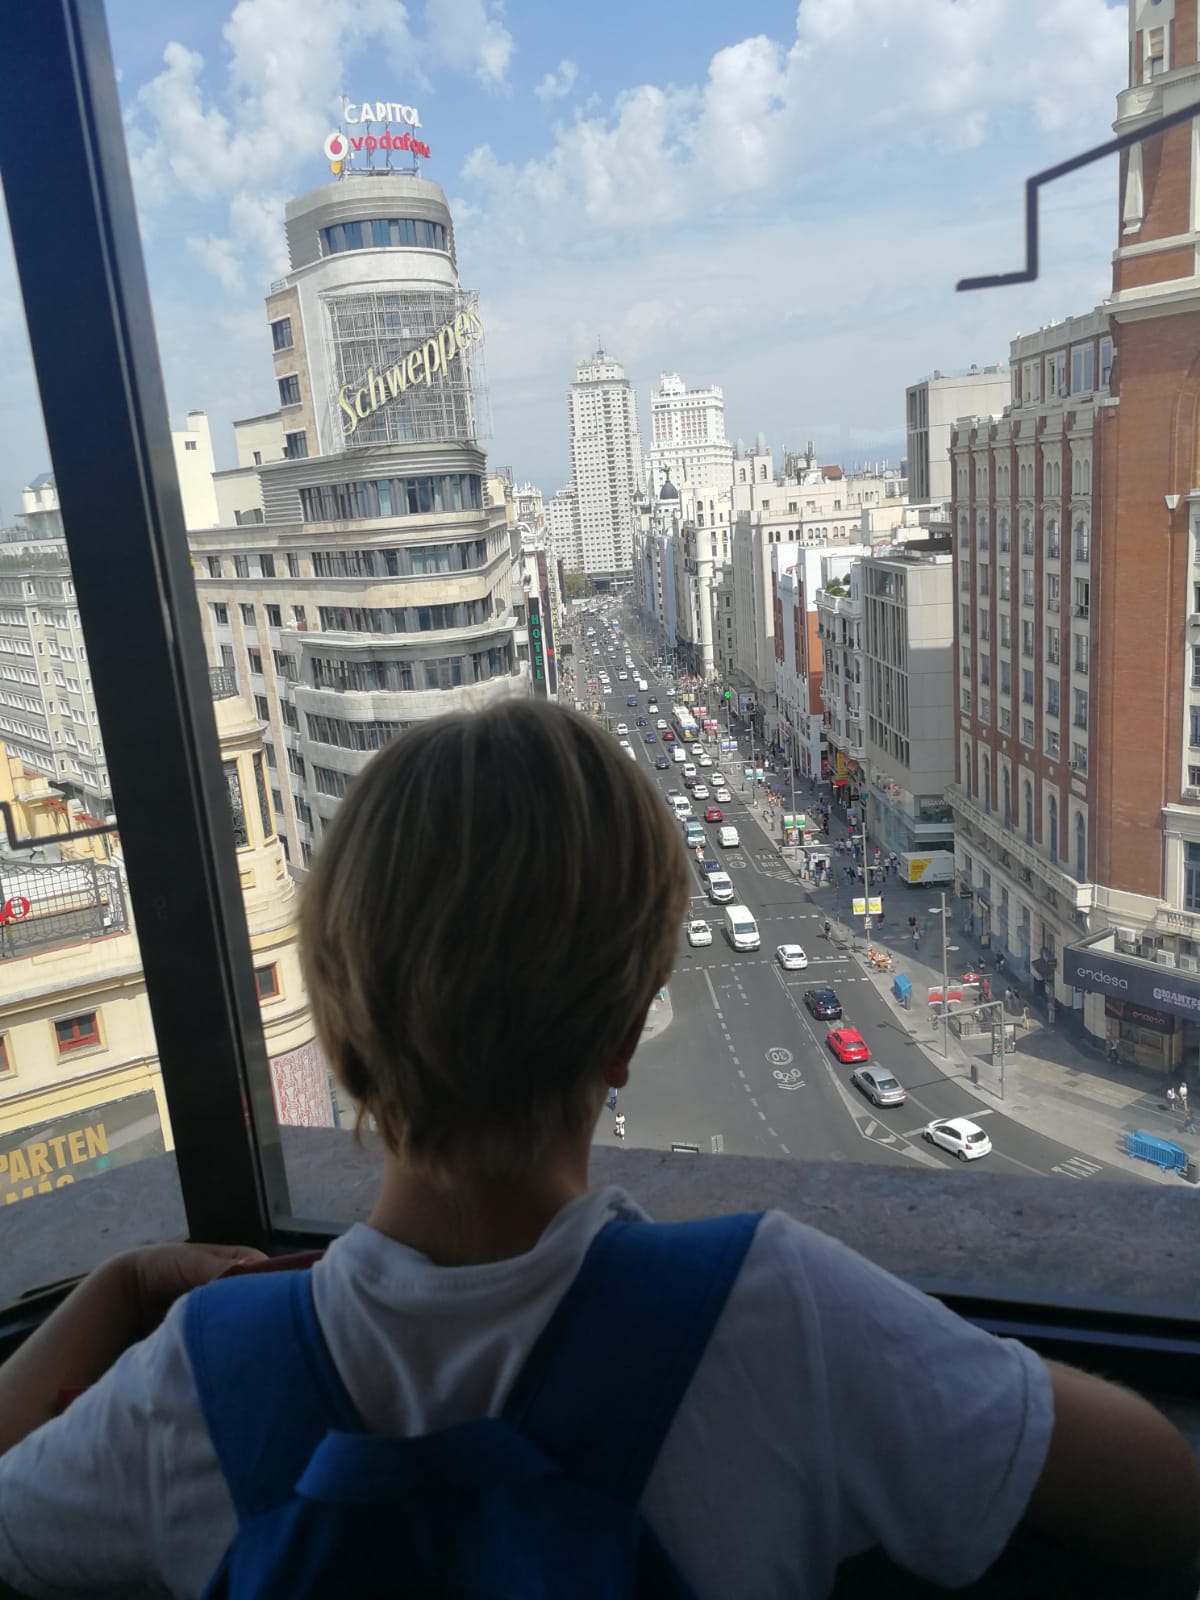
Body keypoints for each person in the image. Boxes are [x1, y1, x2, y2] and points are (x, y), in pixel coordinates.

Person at [0, 700, 1198, 1599]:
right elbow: (1159, 1493)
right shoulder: (778, 1317)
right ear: (625, 1032)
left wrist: (120, 1286)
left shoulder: (196, 1381)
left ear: (341, 1019)